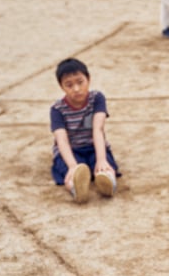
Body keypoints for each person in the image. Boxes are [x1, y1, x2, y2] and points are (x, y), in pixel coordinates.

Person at [50, 58, 120, 203]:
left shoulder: (97, 98)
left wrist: (101, 159)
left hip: (94, 147)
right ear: (61, 87)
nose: (76, 89)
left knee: (105, 166)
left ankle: (107, 182)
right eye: (69, 85)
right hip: (71, 150)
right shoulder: (57, 109)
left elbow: (98, 129)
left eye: (80, 82)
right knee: (73, 173)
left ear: (88, 79)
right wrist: (72, 166)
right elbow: (61, 140)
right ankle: (76, 188)